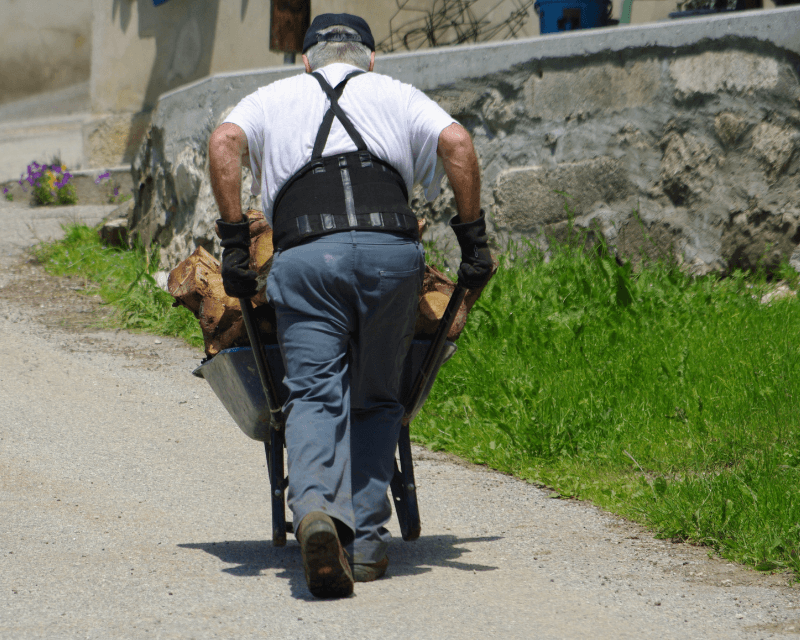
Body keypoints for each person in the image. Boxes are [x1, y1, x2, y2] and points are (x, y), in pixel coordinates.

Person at [208, 12, 492, 598]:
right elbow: (458, 144)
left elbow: (223, 142)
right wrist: (474, 241)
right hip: (392, 255)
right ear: (369, 58)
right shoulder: (399, 94)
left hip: (308, 256)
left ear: (307, 59)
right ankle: (364, 541)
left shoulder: (273, 95)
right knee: (377, 395)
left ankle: (316, 512)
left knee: (313, 391)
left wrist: (235, 244)